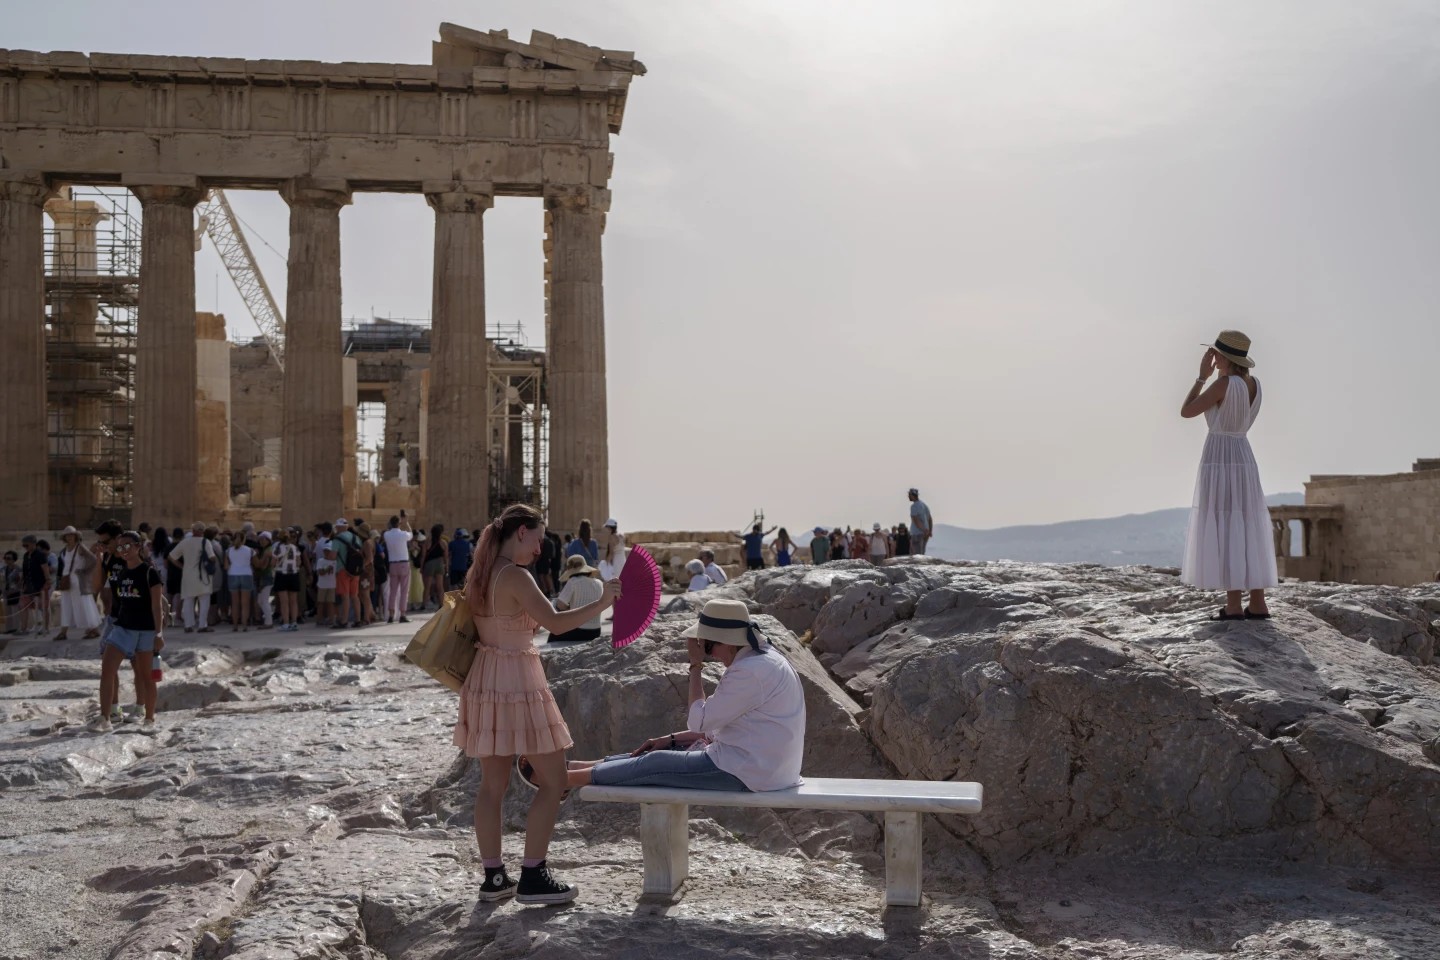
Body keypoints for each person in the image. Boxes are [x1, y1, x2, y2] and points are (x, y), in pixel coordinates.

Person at [454, 503, 621, 904]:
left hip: (485, 678)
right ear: (522, 532)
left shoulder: (481, 572)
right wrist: (602, 603)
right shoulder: (516, 575)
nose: (542, 545)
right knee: (555, 779)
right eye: (539, 536)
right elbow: (558, 624)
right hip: (517, 680)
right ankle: (533, 875)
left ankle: (494, 878)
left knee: (492, 786)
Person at [551, 599, 805, 796]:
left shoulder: (749, 671)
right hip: (767, 767)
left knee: (656, 763)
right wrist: (669, 739)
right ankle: (575, 767)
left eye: (708, 646)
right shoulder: (764, 658)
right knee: (656, 751)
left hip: (751, 773)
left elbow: (698, 721)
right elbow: (720, 729)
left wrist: (695, 667)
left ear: (727, 642)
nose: (709, 654)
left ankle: (561, 780)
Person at [1180, 330, 1278, 621]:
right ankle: (1258, 602)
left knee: (1225, 522)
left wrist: (1201, 377)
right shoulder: (1254, 384)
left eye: (1215, 353)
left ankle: (1234, 605)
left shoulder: (1223, 384)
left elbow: (1187, 411)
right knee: (1247, 522)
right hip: (1244, 456)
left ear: (1223, 357)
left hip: (1220, 456)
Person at [89, 530, 164, 734]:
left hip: (146, 631)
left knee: (147, 677)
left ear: (138, 546)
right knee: (107, 670)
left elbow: (157, 607)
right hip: (123, 628)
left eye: (127, 546)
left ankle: (149, 719)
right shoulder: (121, 573)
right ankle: (105, 718)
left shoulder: (150, 573)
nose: (123, 550)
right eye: (120, 547)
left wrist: (159, 634)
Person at [53, 526, 102, 642]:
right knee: (66, 604)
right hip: (67, 580)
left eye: (71, 535)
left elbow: (93, 560)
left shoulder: (80, 548)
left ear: (76, 536)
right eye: (67, 535)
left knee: (83, 603)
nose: (69, 537)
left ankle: (93, 629)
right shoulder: (65, 549)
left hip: (78, 580)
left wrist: (84, 571)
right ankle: (63, 631)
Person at [169, 523, 220, 633]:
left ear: (193, 530)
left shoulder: (185, 542)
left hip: (188, 575)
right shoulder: (205, 542)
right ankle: (202, 625)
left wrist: (182, 566)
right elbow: (212, 558)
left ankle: (188, 625)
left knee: (188, 600)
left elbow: (172, 557)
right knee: (204, 600)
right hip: (203, 576)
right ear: (203, 531)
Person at [553, 554, 605, 643]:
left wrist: (568, 607)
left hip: (577, 630)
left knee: (553, 633)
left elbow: (560, 605)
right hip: (596, 631)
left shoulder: (573, 582)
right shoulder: (599, 583)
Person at [382, 514, 414, 624]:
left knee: (393, 591)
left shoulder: (386, 534)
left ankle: (391, 614)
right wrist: (406, 523)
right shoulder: (404, 534)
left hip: (392, 564)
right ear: (399, 523)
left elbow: (388, 530)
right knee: (404, 591)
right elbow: (411, 534)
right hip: (404, 563)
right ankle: (402, 614)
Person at [331, 519, 363, 629]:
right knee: (355, 596)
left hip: (343, 570)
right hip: (355, 570)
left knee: (345, 596)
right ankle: (358, 620)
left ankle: (343, 621)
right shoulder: (356, 538)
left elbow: (333, 556)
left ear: (339, 527)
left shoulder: (337, 539)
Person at [272, 529, 302, 631]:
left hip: (281, 574)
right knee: (294, 601)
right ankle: (294, 622)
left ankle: (285, 623)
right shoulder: (295, 547)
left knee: (284, 601)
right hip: (293, 574)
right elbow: (298, 562)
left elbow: (273, 562)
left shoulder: (277, 548)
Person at [18, 535, 48, 633]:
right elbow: (25, 570)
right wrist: (22, 583)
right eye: (24, 545)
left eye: (26, 545)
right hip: (28, 585)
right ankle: (23, 628)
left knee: (42, 607)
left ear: (33, 544)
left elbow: (45, 569)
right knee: (23, 605)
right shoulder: (26, 555)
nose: (25, 547)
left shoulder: (40, 555)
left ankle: (45, 628)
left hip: (39, 585)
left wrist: (47, 581)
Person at [226, 532, 255, 632]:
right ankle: (244, 625)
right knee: (245, 603)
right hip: (246, 574)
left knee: (234, 603)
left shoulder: (228, 550)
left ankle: (235, 625)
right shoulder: (250, 550)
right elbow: (255, 563)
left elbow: (226, 566)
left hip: (233, 574)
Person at [314, 524, 339, 627]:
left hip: (331, 584)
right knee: (320, 603)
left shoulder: (335, 562)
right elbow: (320, 572)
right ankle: (319, 619)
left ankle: (331, 619)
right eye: (325, 551)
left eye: (328, 551)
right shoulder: (321, 561)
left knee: (330, 603)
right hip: (322, 585)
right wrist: (326, 569)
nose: (326, 553)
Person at [253, 531, 275, 629]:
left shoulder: (268, 551)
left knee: (263, 601)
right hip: (265, 576)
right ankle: (268, 620)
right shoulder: (266, 550)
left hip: (266, 576)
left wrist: (255, 557)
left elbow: (262, 566)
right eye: (260, 539)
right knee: (261, 601)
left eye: (264, 539)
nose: (261, 541)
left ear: (268, 540)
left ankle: (268, 622)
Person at [423, 524, 448, 609]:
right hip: (440, 564)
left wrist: (422, 566)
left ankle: (424, 605)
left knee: (427, 586)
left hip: (429, 564)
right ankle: (441, 604)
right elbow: (446, 557)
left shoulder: (428, 542)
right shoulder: (443, 543)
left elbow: (423, 556)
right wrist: (446, 568)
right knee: (440, 587)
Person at [908, 488, 934, 556]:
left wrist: (924, 530)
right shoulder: (924, 505)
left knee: (916, 554)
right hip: (925, 533)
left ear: (912, 495)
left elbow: (916, 520)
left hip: (917, 533)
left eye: (909, 495)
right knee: (922, 553)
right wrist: (929, 531)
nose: (908, 497)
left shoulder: (914, 506)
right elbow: (930, 519)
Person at [3, 550, 23, 633]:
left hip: (15, 592)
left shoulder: (18, 569)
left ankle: (17, 628)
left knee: (15, 611)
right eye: (5, 558)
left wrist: (14, 589)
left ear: (13, 559)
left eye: (8, 558)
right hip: (6, 593)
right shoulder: (3, 569)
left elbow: (20, 581)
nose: (6, 560)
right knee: (8, 612)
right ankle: (9, 629)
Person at [448, 526, 473, 591]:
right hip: (463, 567)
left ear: (455, 536)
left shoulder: (452, 543)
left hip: (454, 567)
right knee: (464, 582)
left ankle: (456, 598)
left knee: (454, 583)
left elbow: (449, 555)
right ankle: (463, 596)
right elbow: (470, 555)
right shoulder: (467, 544)